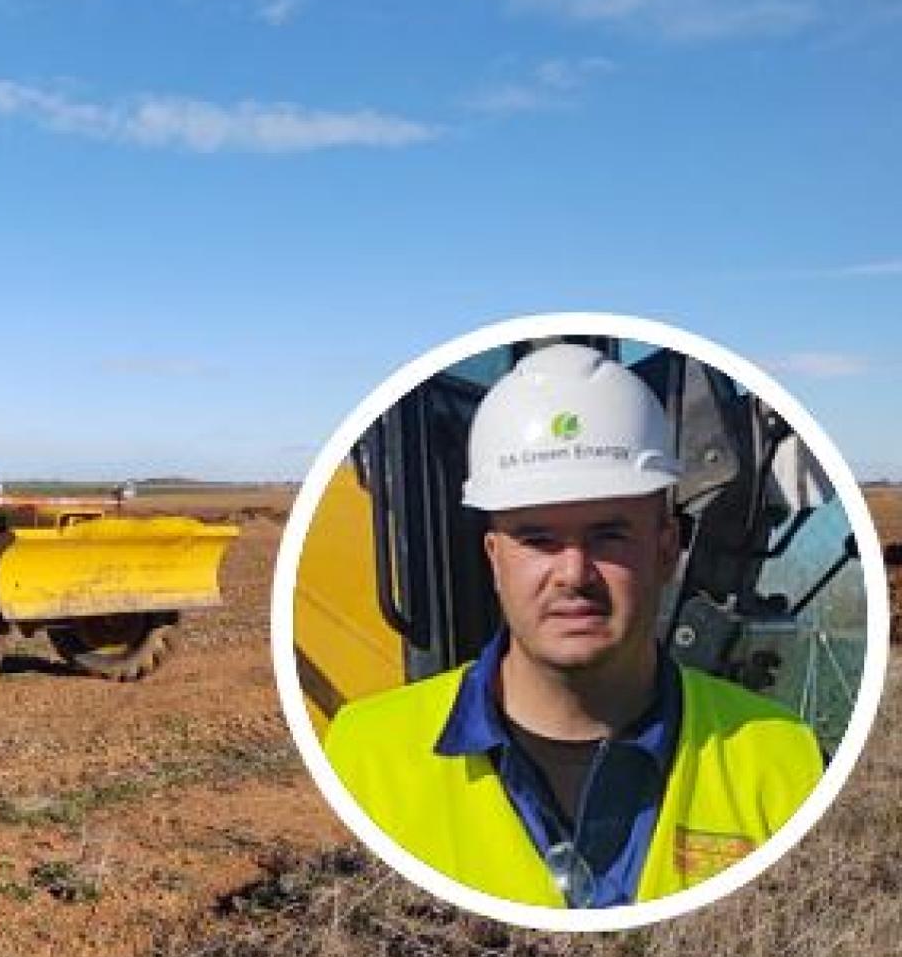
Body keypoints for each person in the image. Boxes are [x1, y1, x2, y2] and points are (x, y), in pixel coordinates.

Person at [323, 344, 824, 908]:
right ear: (494, 557)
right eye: (537, 539)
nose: (573, 574)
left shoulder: (783, 761)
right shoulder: (363, 757)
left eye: (609, 535)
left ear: (666, 549)